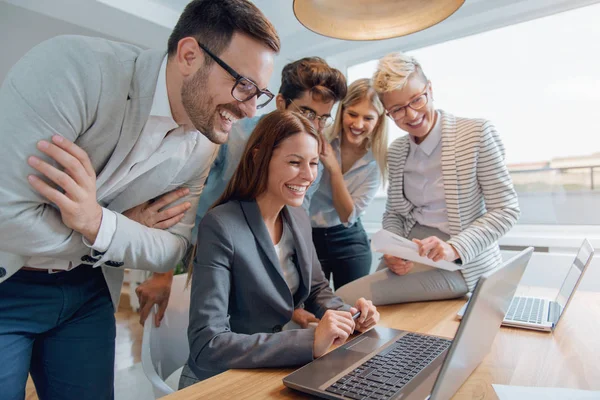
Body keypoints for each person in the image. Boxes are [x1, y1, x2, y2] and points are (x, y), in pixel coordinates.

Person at [0, 0, 280, 398]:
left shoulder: (203, 145)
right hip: (8, 282)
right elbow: (7, 218)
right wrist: (118, 227)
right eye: (243, 85)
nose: (251, 108)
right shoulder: (73, 70)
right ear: (188, 55)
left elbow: (172, 251)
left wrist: (100, 223)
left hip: (88, 293)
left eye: (260, 93)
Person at [135, 56, 347, 328]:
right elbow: (183, 196)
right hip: (203, 245)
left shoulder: (310, 161)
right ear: (281, 103)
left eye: (323, 118)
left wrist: (291, 305)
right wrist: (162, 272)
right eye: (306, 113)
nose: (315, 126)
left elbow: (291, 234)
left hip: (257, 266)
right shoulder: (231, 134)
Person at [179, 110, 379, 386]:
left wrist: (350, 316)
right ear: (258, 156)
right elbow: (207, 344)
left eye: (313, 163)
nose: (308, 175)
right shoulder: (221, 225)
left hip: (272, 370)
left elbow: (318, 290)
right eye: (295, 162)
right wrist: (310, 339)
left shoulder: (296, 215)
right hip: (221, 380)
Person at [336, 52, 520, 306]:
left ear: (430, 89)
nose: (411, 115)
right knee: (357, 308)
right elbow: (395, 215)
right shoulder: (398, 151)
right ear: (387, 112)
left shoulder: (476, 133)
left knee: (345, 300)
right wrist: (392, 248)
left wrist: (454, 248)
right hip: (410, 253)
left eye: (416, 100)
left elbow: (506, 210)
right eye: (397, 110)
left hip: (461, 263)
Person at [308, 78, 388, 290]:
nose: (358, 124)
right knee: (313, 310)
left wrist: (333, 169)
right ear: (342, 111)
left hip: (349, 240)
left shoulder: (376, 160)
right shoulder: (319, 140)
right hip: (309, 237)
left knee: (353, 310)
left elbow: (347, 216)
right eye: (352, 114)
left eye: (368, 118)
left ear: (378, 121)